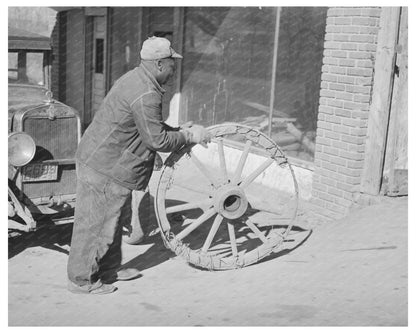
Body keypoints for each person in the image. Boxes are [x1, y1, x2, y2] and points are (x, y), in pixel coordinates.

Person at [67, 37, 211, 294]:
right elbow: (156, 139)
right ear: (158, 64)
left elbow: (147, 127)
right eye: (171, 65)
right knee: (96, 225)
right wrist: (189, 136)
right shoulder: (146, 93)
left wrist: (178, 130)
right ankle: (83, 281)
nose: (174, 71)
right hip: (105, 166)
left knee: (111, 221)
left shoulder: (136, 78)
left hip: (106, 160)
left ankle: (109, 271)